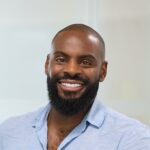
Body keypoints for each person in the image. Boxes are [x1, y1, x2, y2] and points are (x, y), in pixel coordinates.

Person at [0, 24, 150, 150]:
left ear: (102, 71)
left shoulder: (132, 138)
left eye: (86, 62)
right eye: (61, 59)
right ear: (47, 65)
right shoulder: (7, 133)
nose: (71, 70)